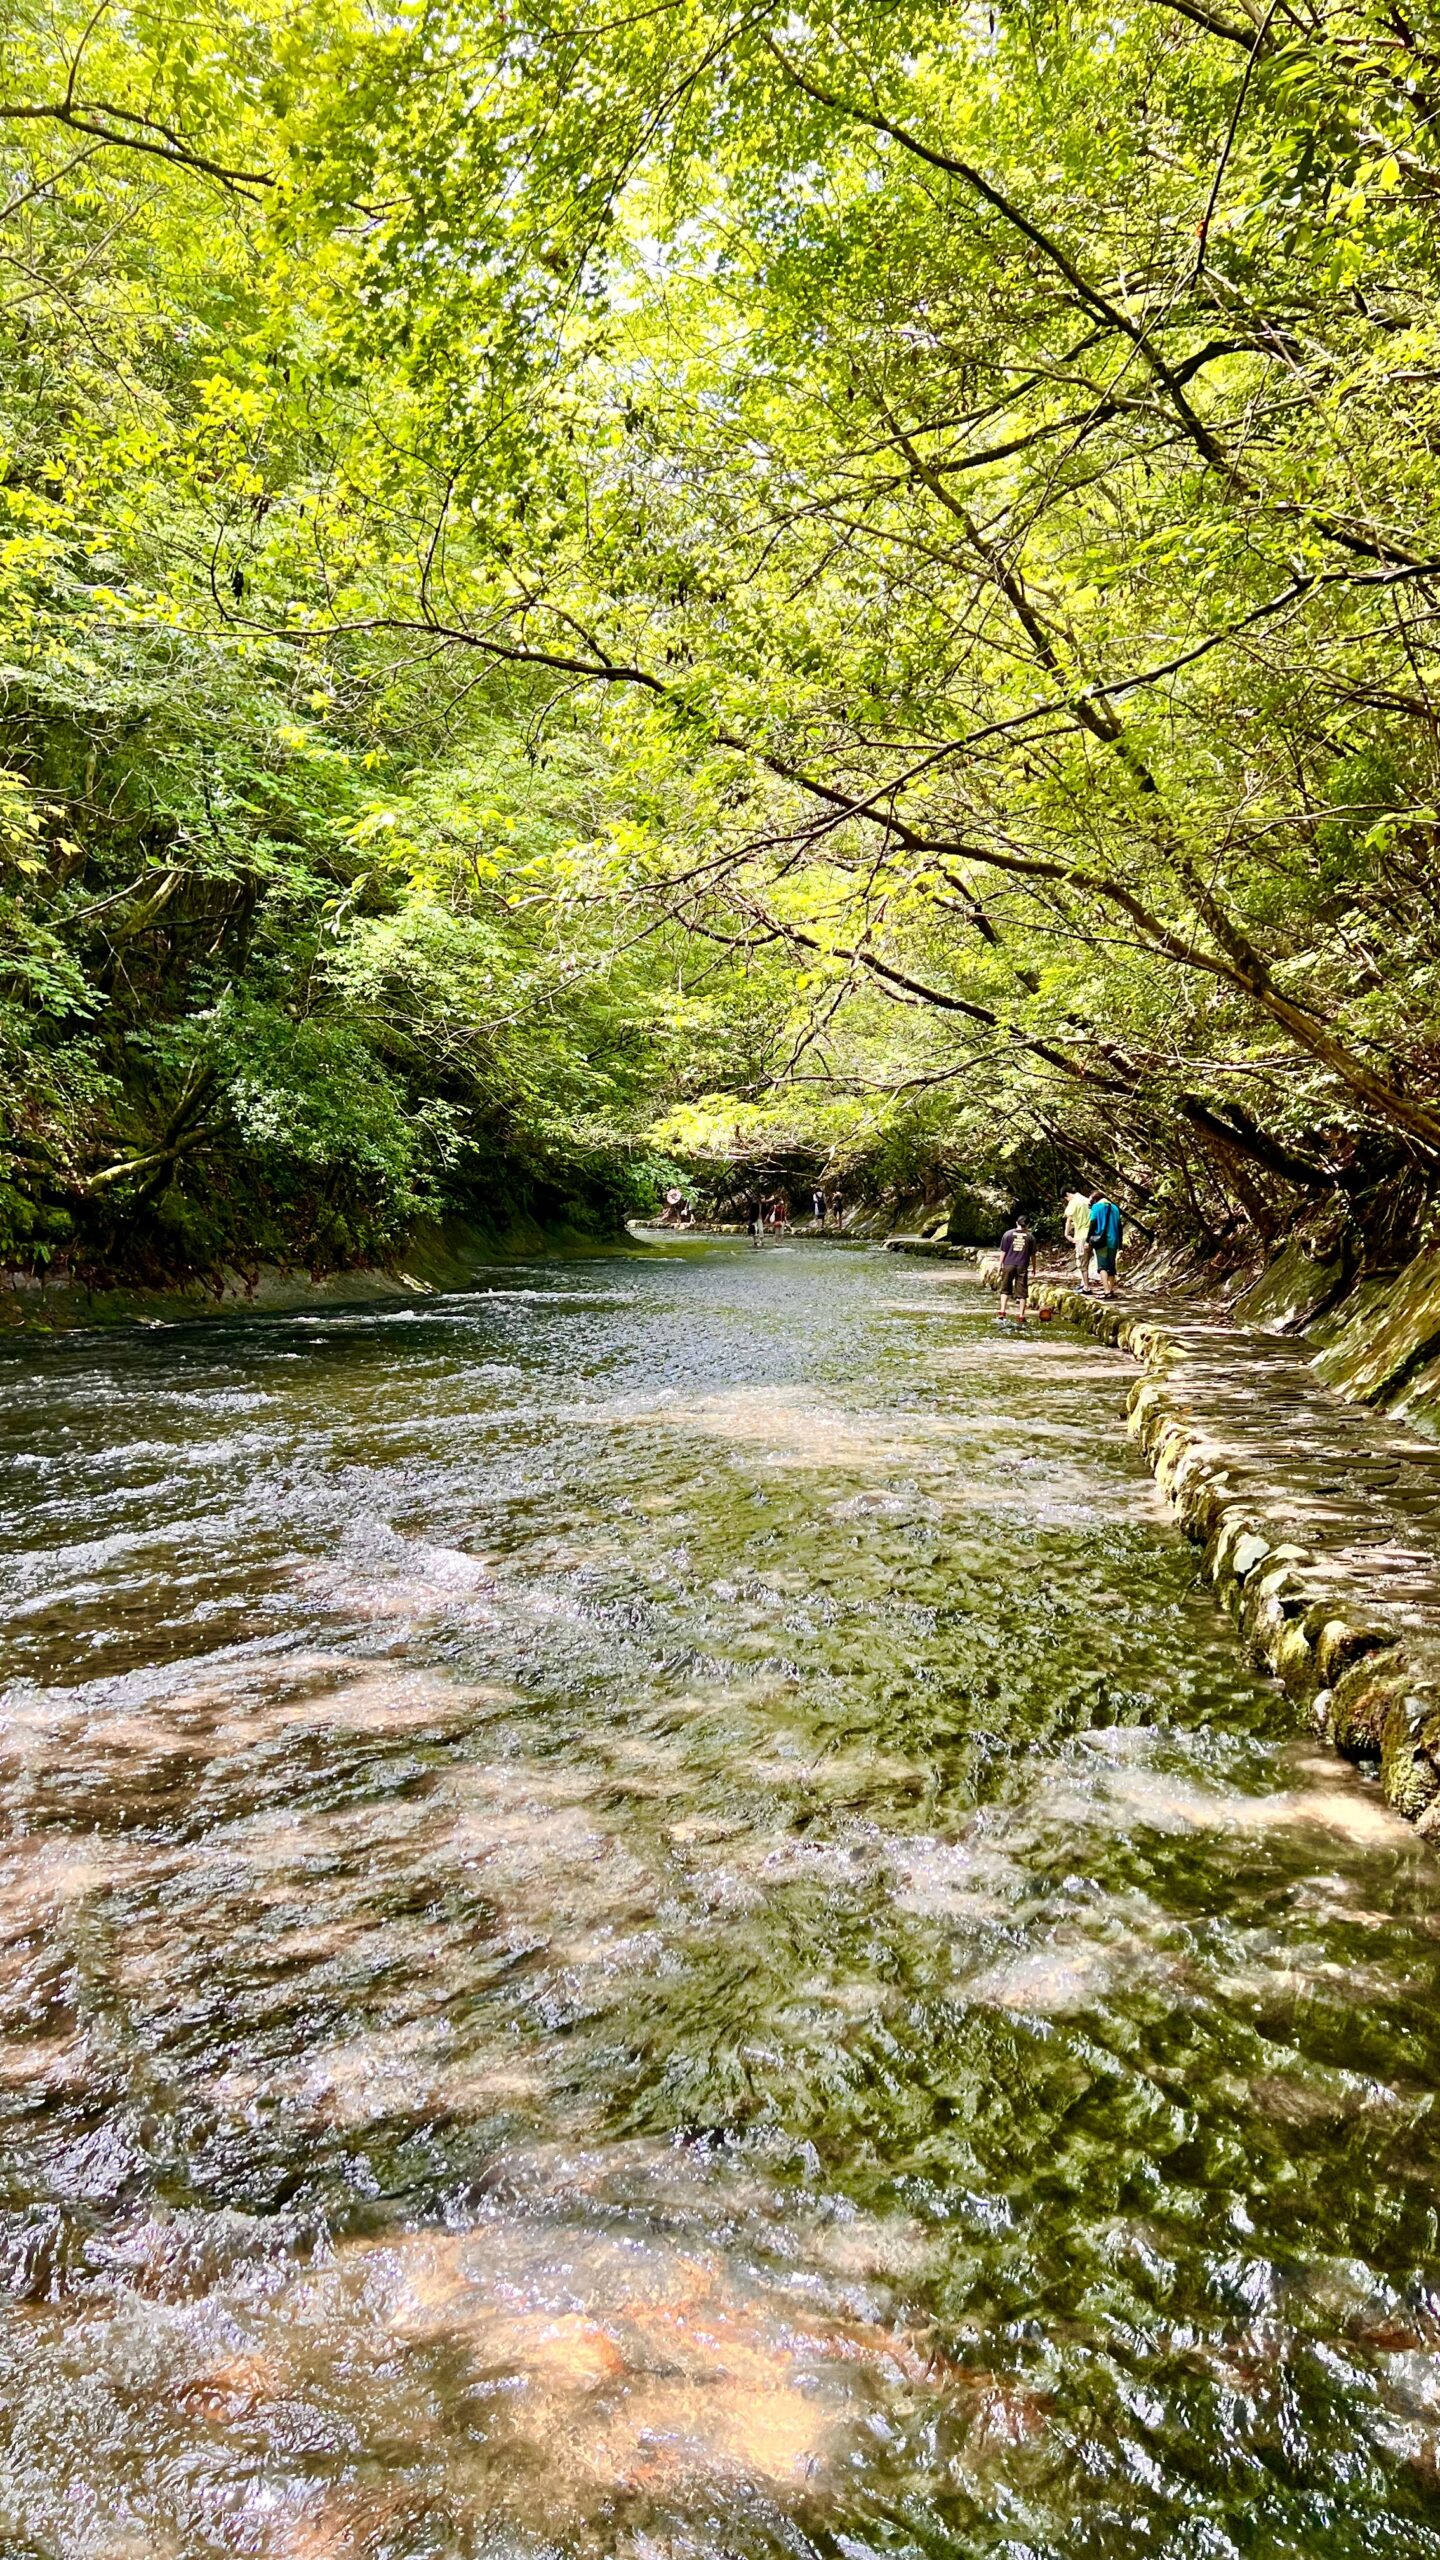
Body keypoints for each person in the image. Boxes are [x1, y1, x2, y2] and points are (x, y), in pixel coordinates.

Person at [996, 1213, 1037, 1326]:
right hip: (1022, 1265)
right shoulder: (1030, 1237)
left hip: (1008, 1264)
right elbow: (1033, 1255)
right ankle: (1021, 1315)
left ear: (1016, 1223)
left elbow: (1003, 1251)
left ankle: (1002, 1312)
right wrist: (1034, 1267)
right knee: (1022, 1291)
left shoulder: (1008, 1234)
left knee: (1005, 1289)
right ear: (1027, 1225)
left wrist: (1000, 1264)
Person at [1087, 1193, 1123, 1296]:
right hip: (1114, 1240)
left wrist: (1087, 1240)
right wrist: (1120, 1243)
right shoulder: (1115, 1208)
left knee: (1102, 1266)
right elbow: (1119, 1226)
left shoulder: (1096, 1207)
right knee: (1111, 1266)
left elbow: (1093, 1223)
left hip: (1101, 1240)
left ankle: (1106, 1290)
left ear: (1095, 1199)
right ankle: (1111, 1290)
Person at [1063, 1189, 1093, 1289]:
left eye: (1065, 1198)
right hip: (1093, 1233)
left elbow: (1069, 1219)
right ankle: (1083, 1283)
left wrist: (1067, 1234)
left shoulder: (1073, 1202)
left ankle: (1086, 1287)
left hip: (1081, 1235)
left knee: (1081, 1261)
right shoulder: (1087, 1200)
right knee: (1089, 1259)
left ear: (1067, 1194)